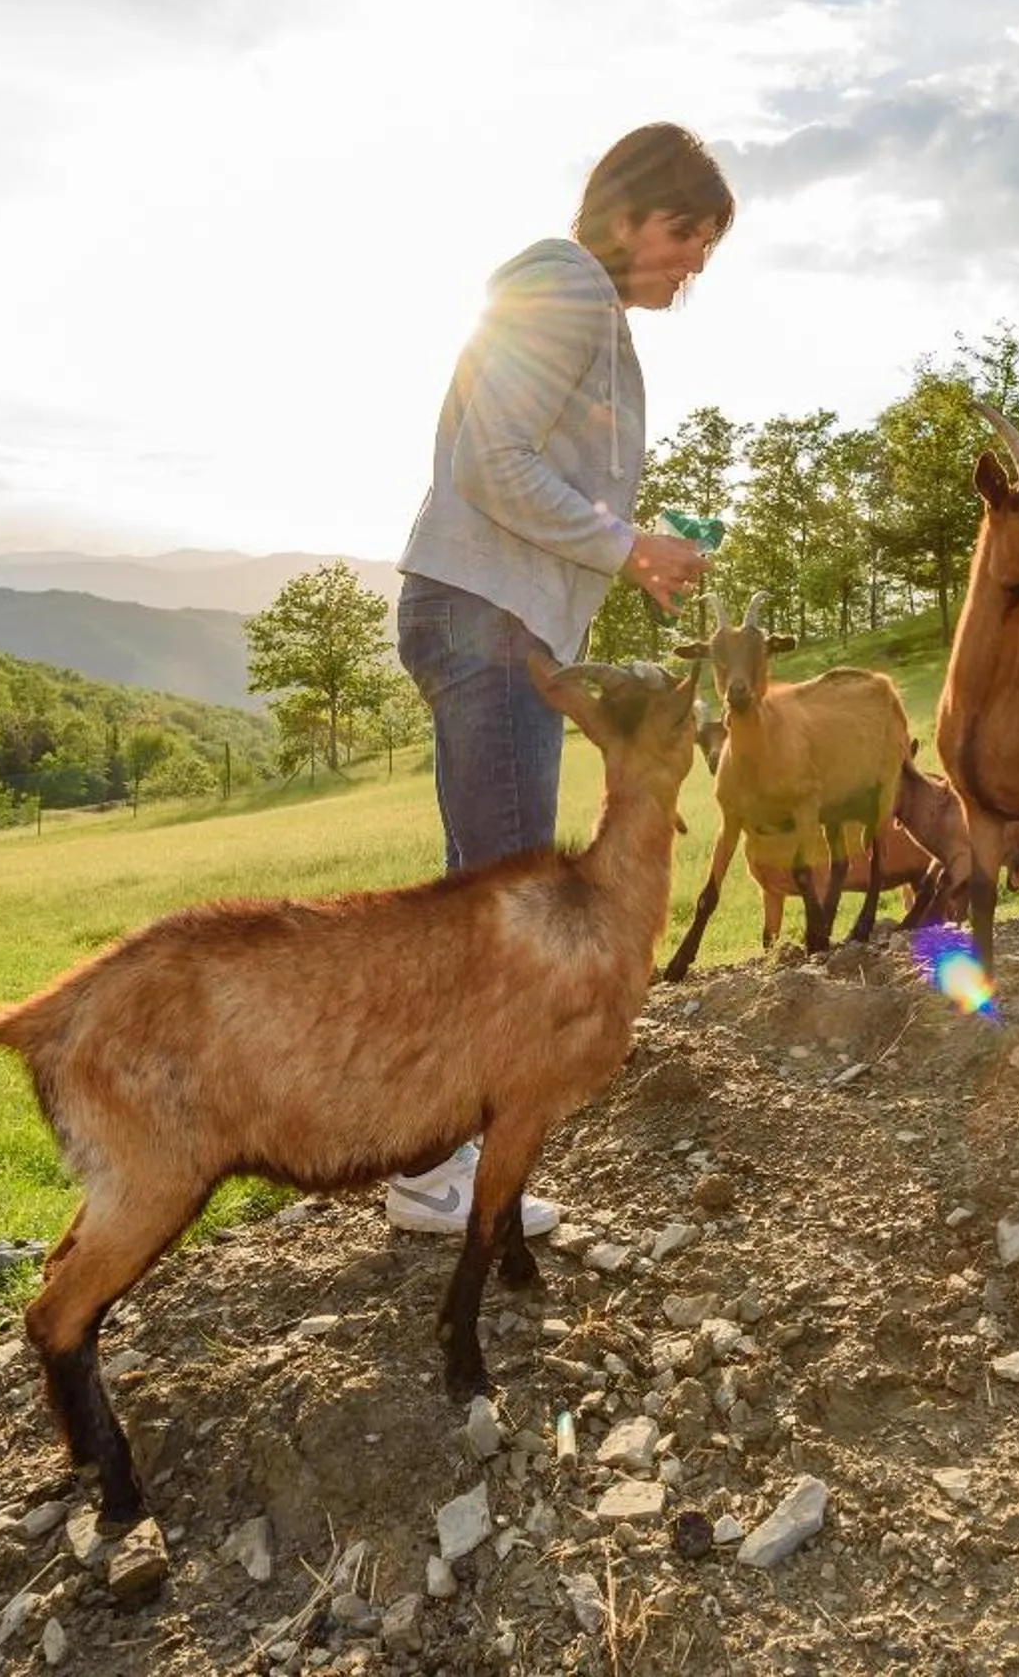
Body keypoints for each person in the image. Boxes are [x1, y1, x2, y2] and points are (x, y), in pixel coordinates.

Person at [384, 123, 728, 1237]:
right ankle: (431, 1167)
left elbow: (536, 475)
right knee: (502, 904)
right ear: (625, 214)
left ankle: (435, 1148)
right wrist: (627, 547)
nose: (694, 264)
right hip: (486, 619)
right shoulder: (563, 283)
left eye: (708, 247)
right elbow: (494, 462)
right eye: (686, 234)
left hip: (502, 618)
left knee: (489, 893)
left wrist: (637, 547)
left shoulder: (593, 311)